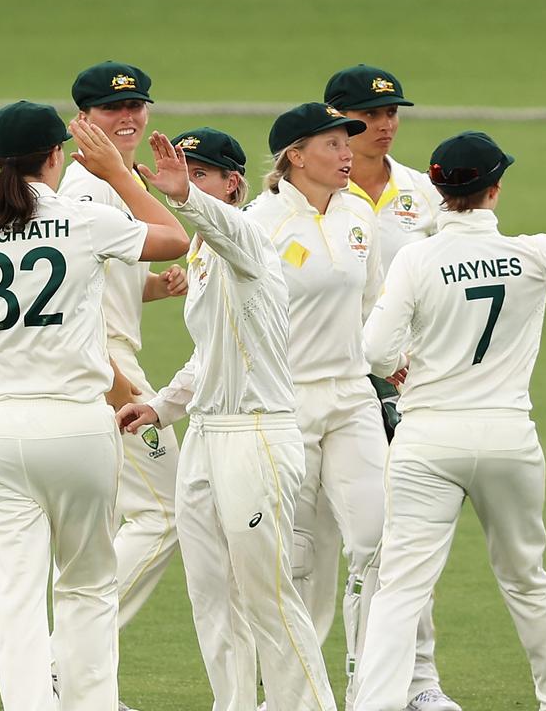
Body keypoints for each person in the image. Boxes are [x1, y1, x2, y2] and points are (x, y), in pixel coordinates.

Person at [0, 103, 188, 711]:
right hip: (77, 427)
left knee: (16, 600)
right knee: (87, 588)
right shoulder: (82, 219)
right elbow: (175, 239)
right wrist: (119, 175)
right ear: (56, 155)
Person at [352, 91, 546, 711]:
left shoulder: (418, 257)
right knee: (528, 580)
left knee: (400, 589)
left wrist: (401, 370)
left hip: (426, 440)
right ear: (494, 191)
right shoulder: (528, 257)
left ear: (439, 191)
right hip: (507, 437)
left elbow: (374, 351)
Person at [115, 127, 338, 711]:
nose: (180, 180)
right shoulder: (203, 252)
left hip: (256, 435)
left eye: (199, 172)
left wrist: (185, 198)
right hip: (206, 436)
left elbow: (225, 225)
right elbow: (207, 354)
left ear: (232, 182)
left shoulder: (251, 242)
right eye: (180, 171)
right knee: (212, 596)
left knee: (267, 594)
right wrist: (161, 405)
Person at [300, 63, 456, 711]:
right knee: (310, 549)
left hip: (406, 389)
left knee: (397, 540)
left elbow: (452, 283)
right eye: (370, 115)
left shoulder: (423, 194)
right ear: (336, 121)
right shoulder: (311, 198)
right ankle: (298, 689)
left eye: (393, 114)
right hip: (326, 383)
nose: (386, 125)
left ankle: (414, 683)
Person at [240, 102, 386, 707]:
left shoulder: (359, 214)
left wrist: (389, 361)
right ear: (294, 156)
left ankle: (369, 685)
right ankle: (290, 694)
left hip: (351, 396)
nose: (348, 152)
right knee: (299, 558)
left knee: (379, 540)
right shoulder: (259, 221)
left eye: (348, 142)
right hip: (286, 401)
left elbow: (374, 301)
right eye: (332, 144)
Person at [59, 62, 186, 674]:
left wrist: (156, 287)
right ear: (83, 120)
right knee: (167, 511)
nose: (130, 117)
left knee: (99, 531)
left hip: (97, 363)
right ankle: (68, 665)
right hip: (104, 369)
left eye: (138, 104)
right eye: (113, 109)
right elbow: (71, 307)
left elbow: (100, 281)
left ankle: (78, 683)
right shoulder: (86, 191)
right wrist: (117, 386)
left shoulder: (118, 180)